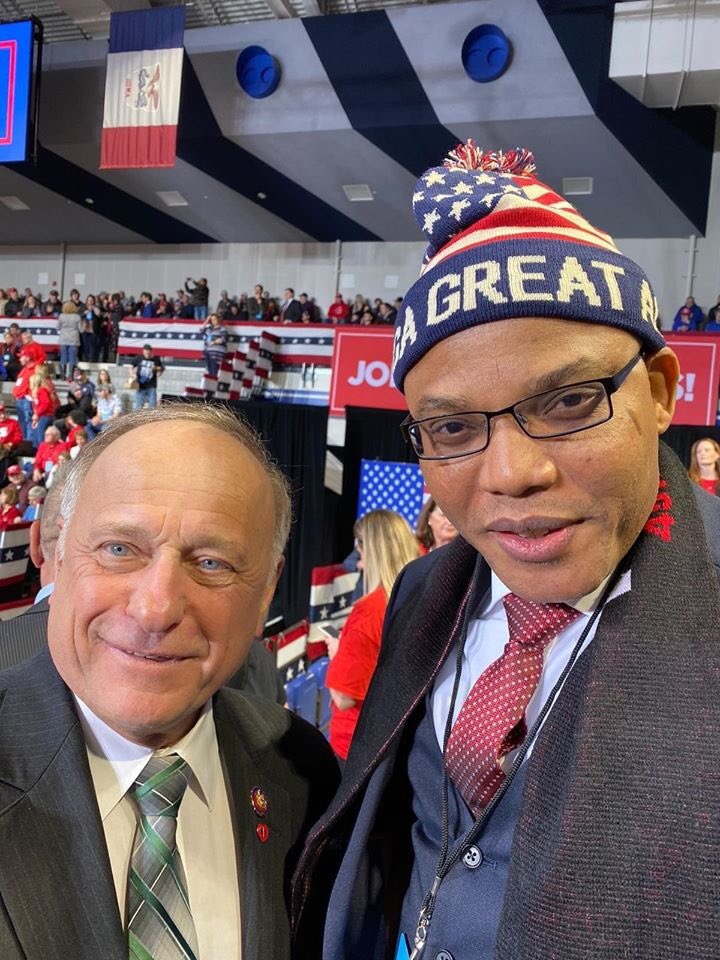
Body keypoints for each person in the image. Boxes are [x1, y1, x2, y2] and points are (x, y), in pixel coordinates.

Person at [293, 143, 720, 960]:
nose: (513, 473)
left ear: (662, 391)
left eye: (569, 402)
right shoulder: (424, 590)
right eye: (454, 428)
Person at [0, 404, 339, 960]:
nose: (156, 609)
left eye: (211, 563)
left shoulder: (302, 771)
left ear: (266, 592)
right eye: (119, 549)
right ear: (56, 557)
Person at [326, 510, 419, 762]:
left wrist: (338, 654)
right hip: (395, 738)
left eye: (361, 553)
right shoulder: (418, 598)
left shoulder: (369, 611)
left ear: (374, 551)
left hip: (354, 744)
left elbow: (343, 698)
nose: (359, 564)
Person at [130, 343, 164, 409]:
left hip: (151, 385)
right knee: (138, 404)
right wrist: (132, 375)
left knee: (152, 404)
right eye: (145, 351)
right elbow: (131, 367)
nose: (147, 353)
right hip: (140, 385)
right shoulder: (138, 358)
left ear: (151, 352)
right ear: (143, 351)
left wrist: (159, 372)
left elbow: (161, 368)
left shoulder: (156, 359)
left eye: (148, 351)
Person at [57, 300, 83, 379]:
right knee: (72, 357)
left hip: (63, 339)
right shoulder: (77, 317)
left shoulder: (61, 316)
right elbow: (81, 329)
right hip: (74, 339)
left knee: (63, 356)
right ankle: (71, 375)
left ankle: (63, 374)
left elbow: (58, 327)